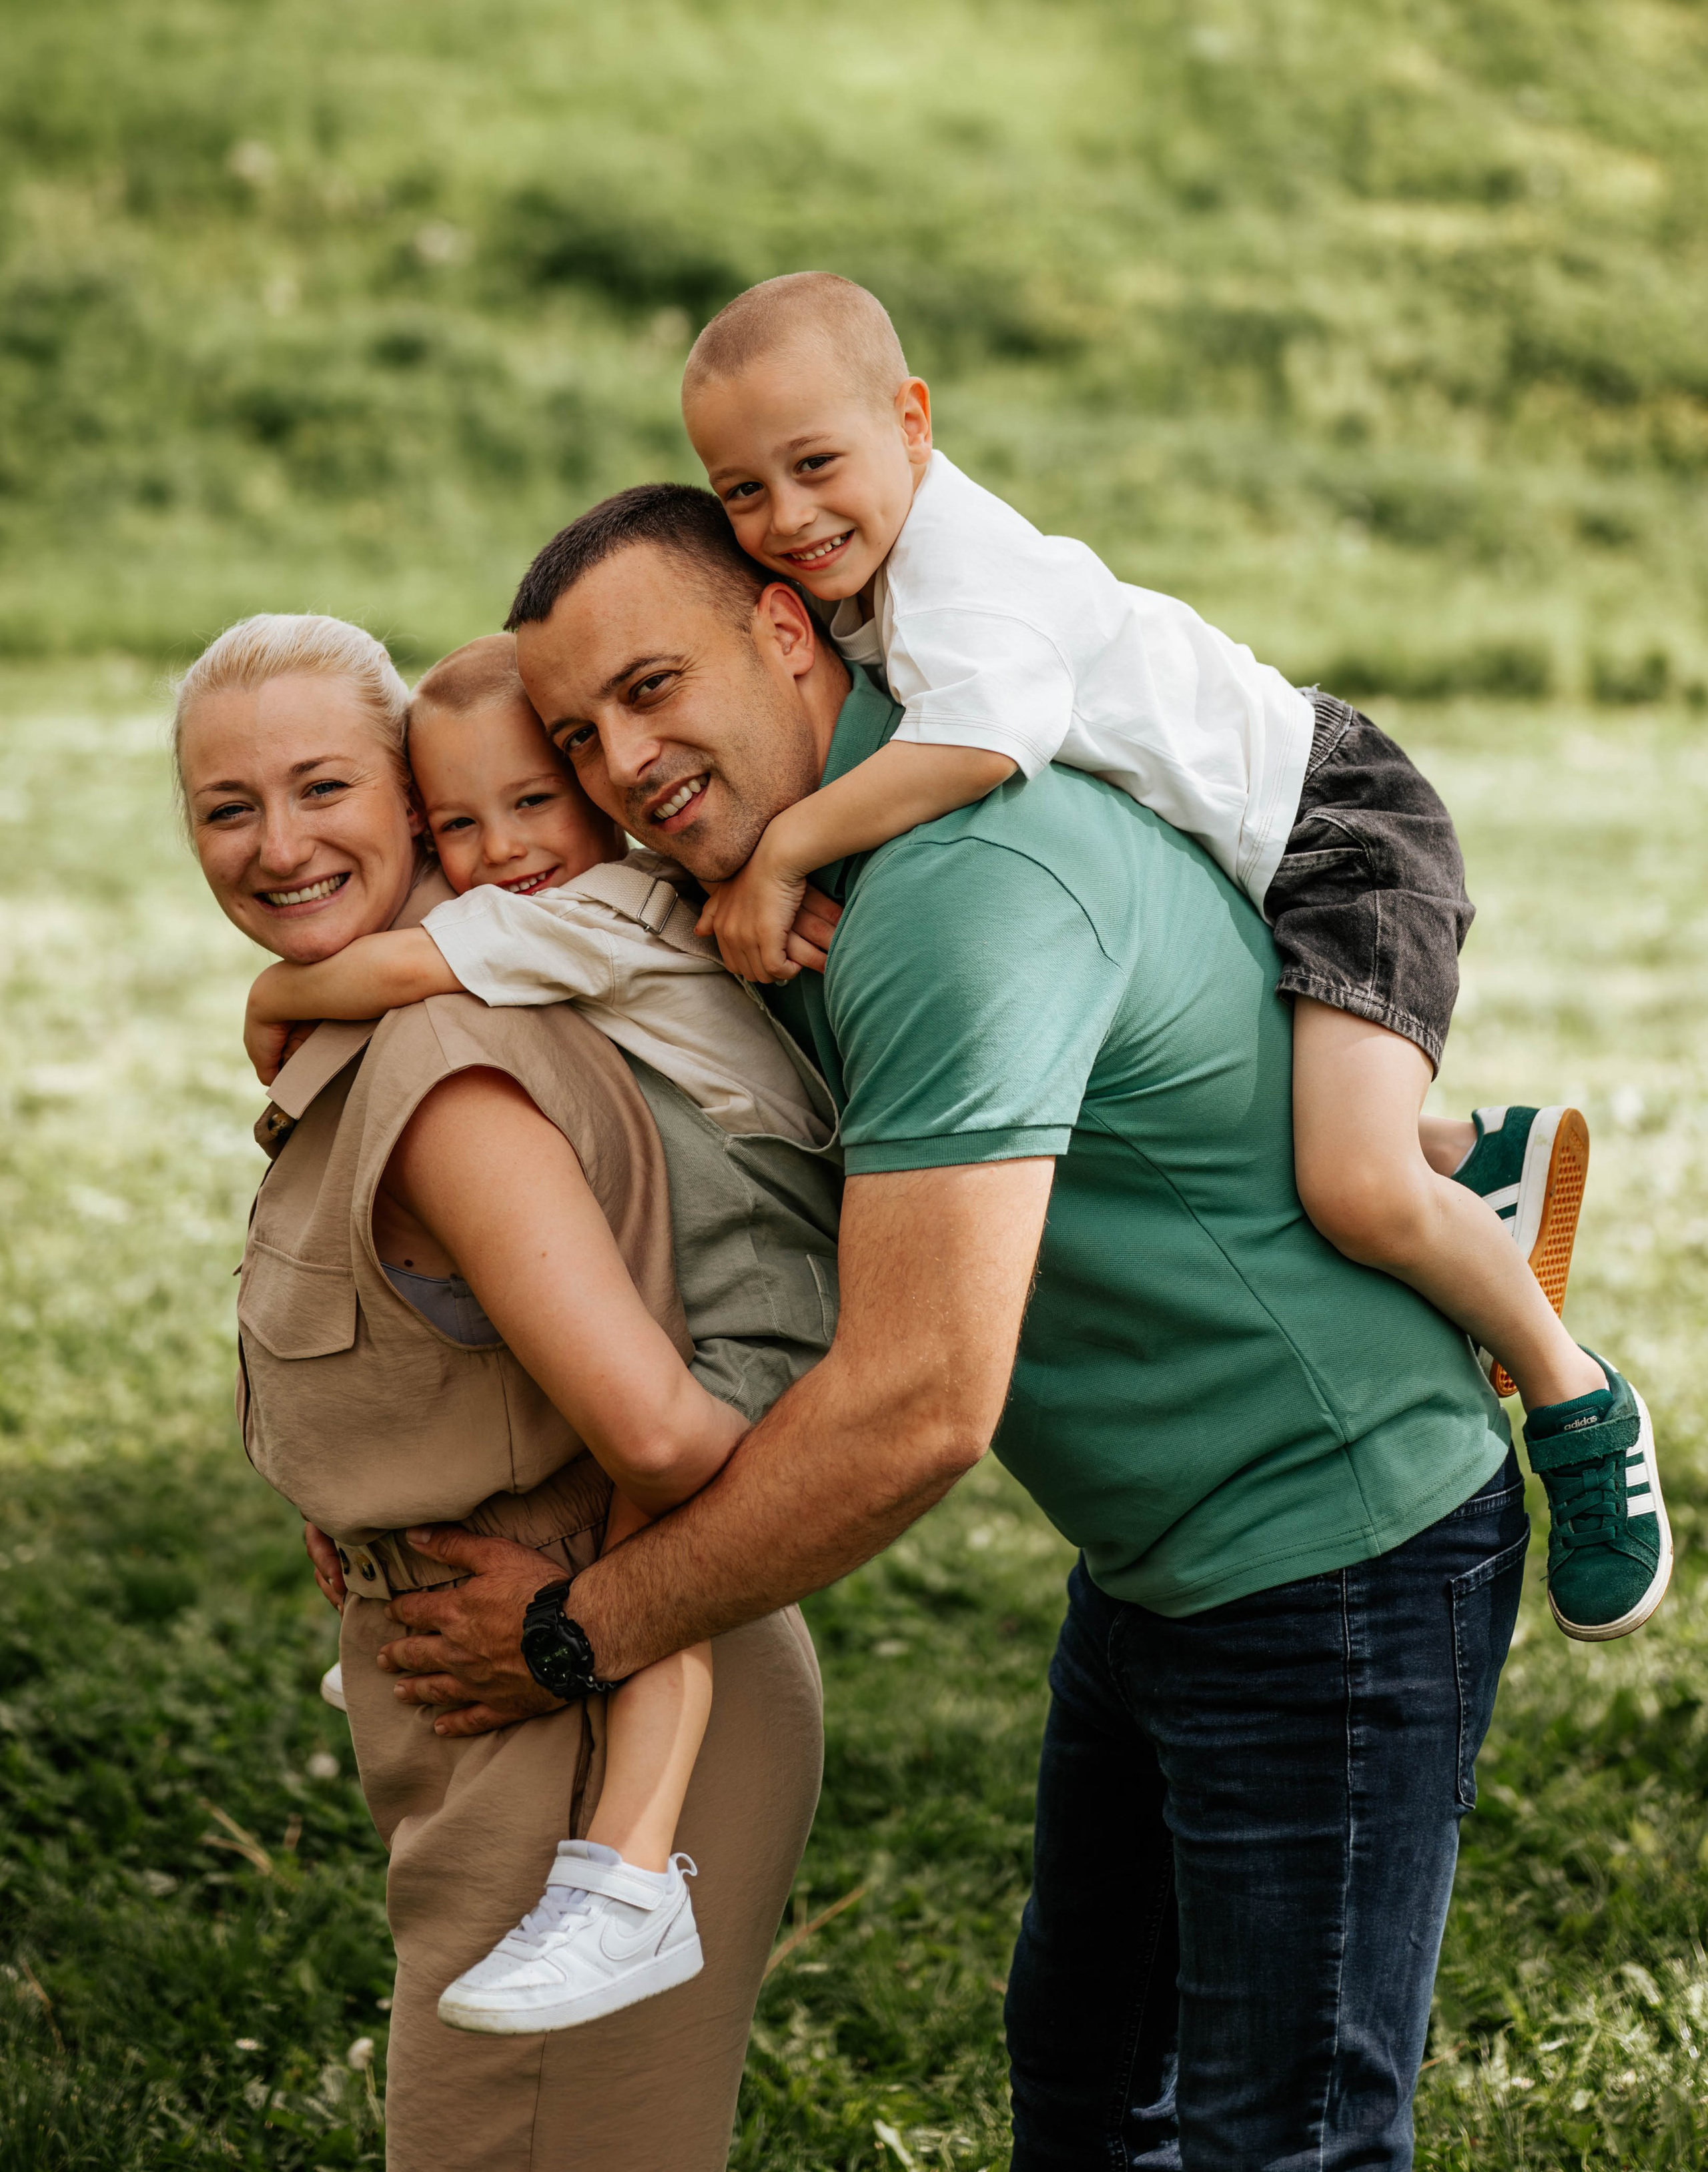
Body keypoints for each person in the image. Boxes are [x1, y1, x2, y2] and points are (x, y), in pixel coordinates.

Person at [372, 488, 1659, 2166]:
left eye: (651, 687)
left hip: (1334, 1557)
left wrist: (578, 1628)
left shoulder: (956, 893)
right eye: (578, 732)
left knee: (1281, 2140)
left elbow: (916, 1408)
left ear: (783, 632)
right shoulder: (774, 872)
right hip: (1152, 1566)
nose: (619, 763)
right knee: (1083, 2098)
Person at [676, 270, 1667, 1646]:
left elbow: (981, 743)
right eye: (740, 494)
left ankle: (1574, 1396)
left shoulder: (964, 580)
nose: (786, 519)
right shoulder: (862, 571)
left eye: (813, 465)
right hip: (1249, 835)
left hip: (1337, 827)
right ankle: (1470, 1164)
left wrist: (782, 851)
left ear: (910, 421)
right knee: (1255, 1107)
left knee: (1348, 1185)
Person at [175, 611, 825, 2172]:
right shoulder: (395, 1026)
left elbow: (667, 1435)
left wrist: (564, 1613)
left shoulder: (444, 1068)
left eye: (324, 788)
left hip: (579, 1697)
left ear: (407, 795)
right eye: (225, 807)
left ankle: (628, 1880)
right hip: (496, 1698)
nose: (277, 847)